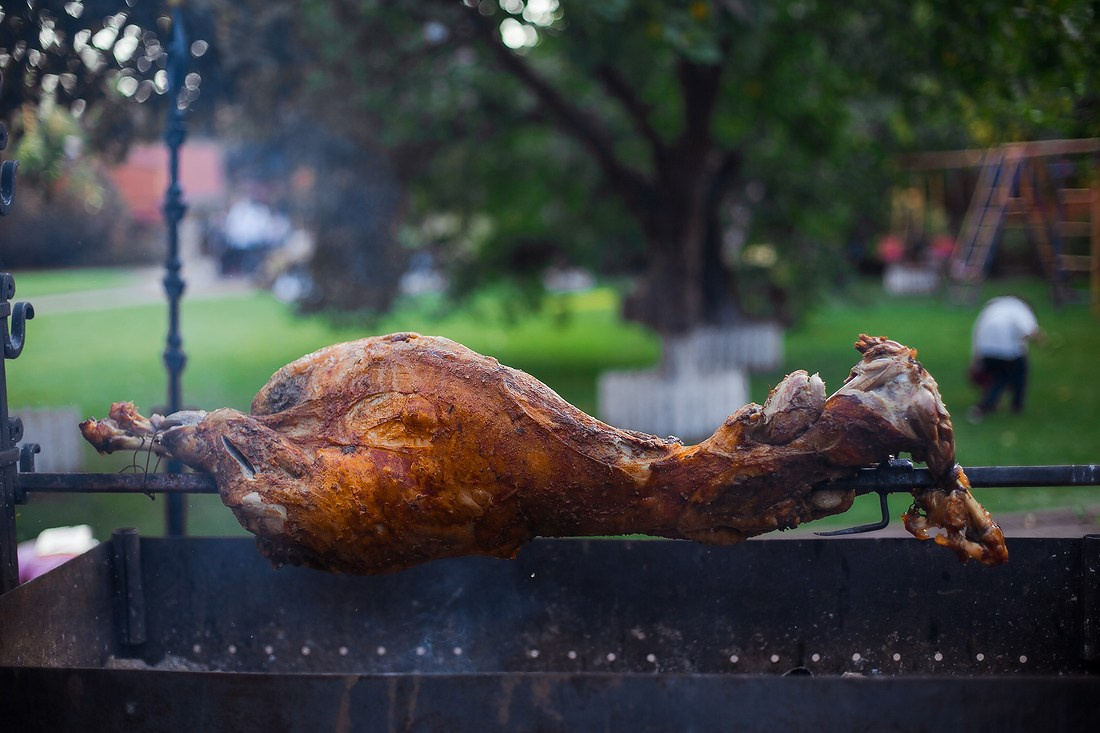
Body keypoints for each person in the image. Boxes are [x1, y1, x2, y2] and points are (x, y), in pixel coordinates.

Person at [968, 295, 1042, 420]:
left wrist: (976, 356)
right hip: (1007, 349)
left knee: (998, 376)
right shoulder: (1021, 309)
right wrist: (1042, 340)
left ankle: (989, 405)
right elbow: (1029, 330)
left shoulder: (993, 305)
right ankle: (1014, 405)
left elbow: (977, 329)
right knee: (1016, 374)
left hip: (985, 346)